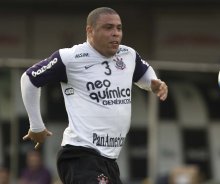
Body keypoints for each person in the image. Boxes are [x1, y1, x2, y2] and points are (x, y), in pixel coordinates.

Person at [21, 7, 168, 184]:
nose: (115, 33)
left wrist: (153, 83)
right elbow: (29, 79)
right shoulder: (70, 58)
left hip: (108, 160)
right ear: (90, 31)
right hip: (80, 155)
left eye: (119, 28)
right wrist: (36, 126)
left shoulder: (127, 55)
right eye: (108, 28)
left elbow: (143, 74)